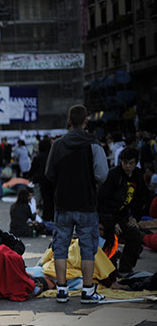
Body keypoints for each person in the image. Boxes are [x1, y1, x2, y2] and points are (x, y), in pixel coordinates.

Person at [45, 104, 108, 304]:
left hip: (63, 204)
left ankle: (62, 289)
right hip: (86, 204)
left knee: (60, 247)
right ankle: (88, 291)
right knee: (88, 248)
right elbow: (102, 174)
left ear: (69, 121)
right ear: (86, 121)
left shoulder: (58, 145)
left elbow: (49, 174)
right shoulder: (94, 144)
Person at [97, 147, 149, 277]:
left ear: (135, 163)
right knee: (110, 238)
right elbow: (102, 201)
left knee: (135, 237)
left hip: (123, 215)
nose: (127, 166)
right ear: (121, 161)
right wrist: (112, 223)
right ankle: (106, 271)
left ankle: (125, 269)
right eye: (125, 162)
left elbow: (142, 199)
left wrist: (135, 218)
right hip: (106, 215)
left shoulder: (138, 175)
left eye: (131, 163)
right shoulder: (113, 175)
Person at [31, 137, 54, 222]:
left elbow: (33, 168)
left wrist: (30, 176)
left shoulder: (38, 156)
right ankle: (53, 215)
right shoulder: (52, 155)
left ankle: (46, 216)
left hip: (42, 181)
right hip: (52, 180)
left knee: (45, 199)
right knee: (52, 199)